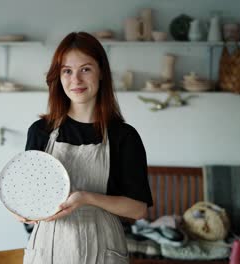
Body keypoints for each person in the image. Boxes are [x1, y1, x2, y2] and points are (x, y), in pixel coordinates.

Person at [16, 32, 153, 264]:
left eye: (86, 69)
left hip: (103, 250)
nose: (76, 80)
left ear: (101, 74)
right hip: (48, 249)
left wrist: (86, 198)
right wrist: (19, 210)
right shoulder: (40, 131)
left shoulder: (124, 136)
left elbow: (138, 209)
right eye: (67, 71)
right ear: (58, 77)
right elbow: (27, 197)